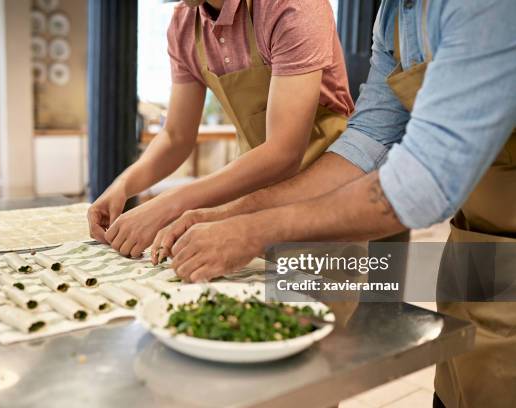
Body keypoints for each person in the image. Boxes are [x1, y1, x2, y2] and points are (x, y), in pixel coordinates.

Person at [153, 0, 516, 406]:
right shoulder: (394, 15)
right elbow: (366, 146)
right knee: (455, 391)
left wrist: (257, 230)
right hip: (475, 248)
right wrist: (226, 215)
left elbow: (422, 184)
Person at [87, 0, 354, 257]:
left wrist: (170, 204)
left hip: (328, 192)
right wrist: (124, 185)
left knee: (319, 299)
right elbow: (175, 136)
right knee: (261, 299)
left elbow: (283, 151)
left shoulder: (291, 7)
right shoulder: (183, 24)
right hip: (255, 196)